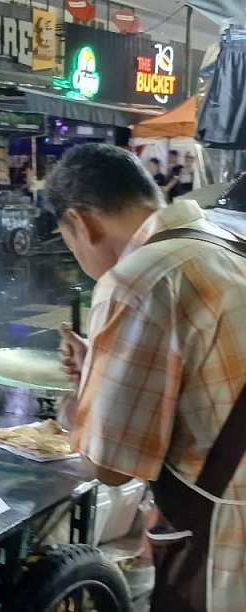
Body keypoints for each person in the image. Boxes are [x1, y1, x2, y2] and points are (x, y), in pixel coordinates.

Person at [53, 143, 246, 611]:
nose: (78, 256)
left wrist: (82, 400)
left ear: (82, 222)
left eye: (69, 242)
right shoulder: (225, 244)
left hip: (227, 548)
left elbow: (111, 466)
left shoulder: (137, 280)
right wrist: (102, 365)